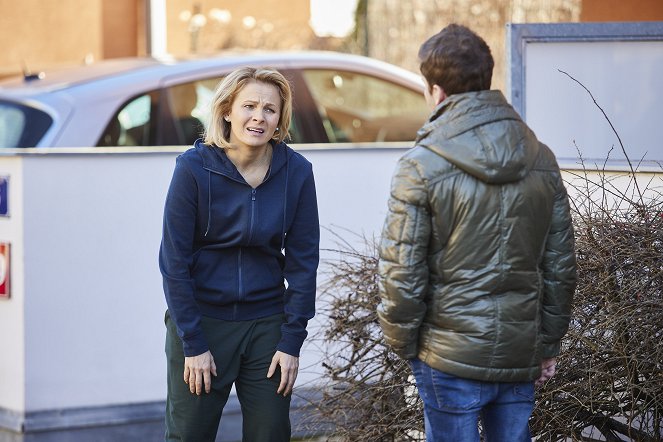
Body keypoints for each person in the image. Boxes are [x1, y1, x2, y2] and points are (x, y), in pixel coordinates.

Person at [377, 24, 577, 442]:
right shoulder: (542, 159)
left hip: (447, 356)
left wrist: (403, 343)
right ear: (487, 80)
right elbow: (560, 266)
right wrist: (548, 344)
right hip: (520, 352)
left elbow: (402, 272)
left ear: (435, 92)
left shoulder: (420, 165)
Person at [159, 66, 320, 441]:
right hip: (203, 322)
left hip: (268, 325)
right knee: (189, 435)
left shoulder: (296, 172)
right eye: (249, 106)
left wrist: (291, 339)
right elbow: (173, 263)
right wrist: (193, 343)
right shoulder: (193, 169)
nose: (259, 117)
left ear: (281, 118)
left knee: (271, 434)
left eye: (270, 109)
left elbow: (303, 262)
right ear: (228, 110)